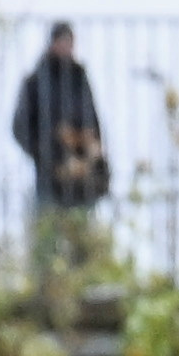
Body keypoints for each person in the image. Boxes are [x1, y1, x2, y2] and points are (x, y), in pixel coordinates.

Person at [11, 25, 109, 221]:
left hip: (83, 182)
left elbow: (93, 124)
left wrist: (91, 154)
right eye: (62, 42)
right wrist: (48, 156)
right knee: (48, 239)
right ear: (53, 43)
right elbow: (20, 128)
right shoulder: (36, 81)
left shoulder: (79, 79)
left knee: (83, 243)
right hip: (50, 181)